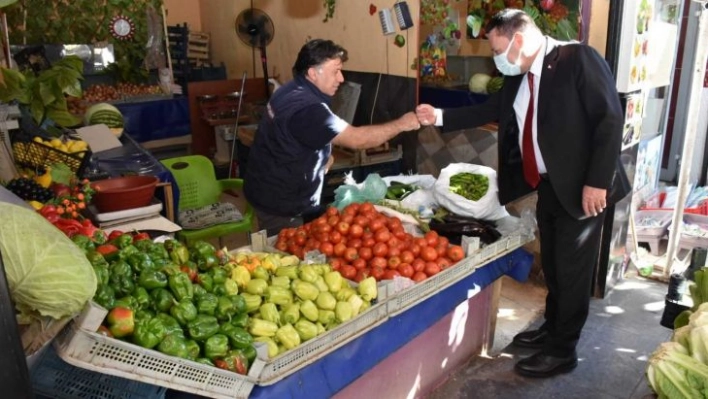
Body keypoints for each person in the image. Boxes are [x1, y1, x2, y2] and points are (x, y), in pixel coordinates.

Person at [416, 9, 629, 378]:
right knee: (556, 267)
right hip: (549, 184)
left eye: (499, 50)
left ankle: (563, 351)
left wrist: (597, 181)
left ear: (519, 39)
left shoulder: (577, 59)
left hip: (583, 187)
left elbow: (609, 118)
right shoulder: (519, 76)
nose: (497, 61)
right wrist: (437, 116)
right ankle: (552, 328)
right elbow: (490, 109)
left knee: (573, 269)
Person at [244, 39, 420, 236]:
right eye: (335, 71)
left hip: (265, 189)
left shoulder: (290, 89)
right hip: (282, 205)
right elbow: (357, 139)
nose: (342, 78)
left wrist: (322, 156)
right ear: (313, 73)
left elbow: (296, 136)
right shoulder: (308, 108)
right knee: (288, 256)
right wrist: (403, 124)